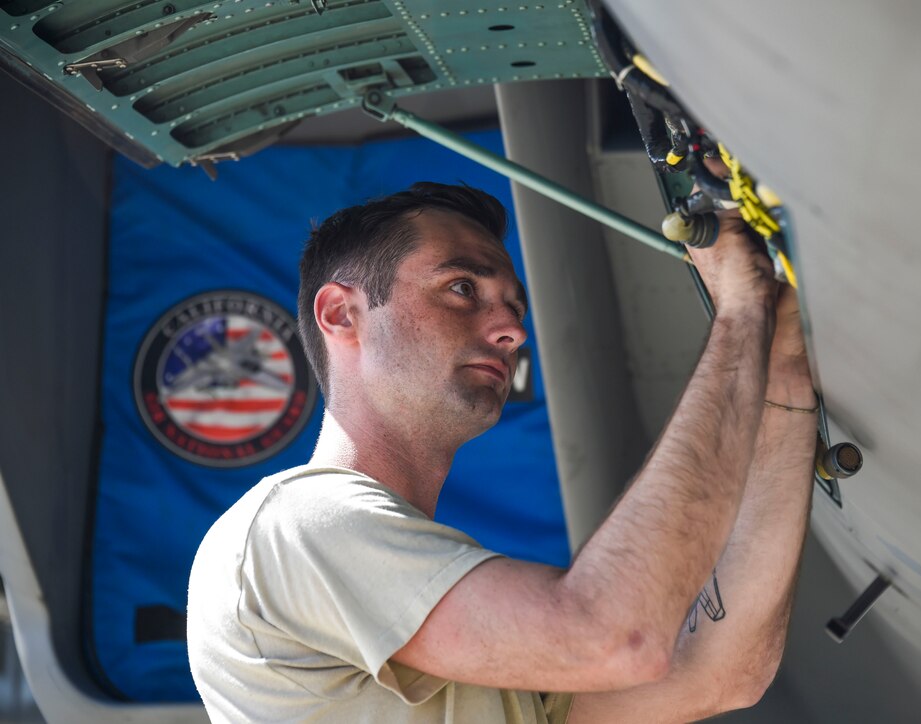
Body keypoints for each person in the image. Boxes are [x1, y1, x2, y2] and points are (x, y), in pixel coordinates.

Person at [188, 177, 816, 723]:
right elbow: (614, 636)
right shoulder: (297, 525)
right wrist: (739, 312)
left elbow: (717, 674)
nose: (512, 329)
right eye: (462, 288)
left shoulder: (456, 655)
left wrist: (781, 370)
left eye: (513, 308)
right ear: (341, 314)